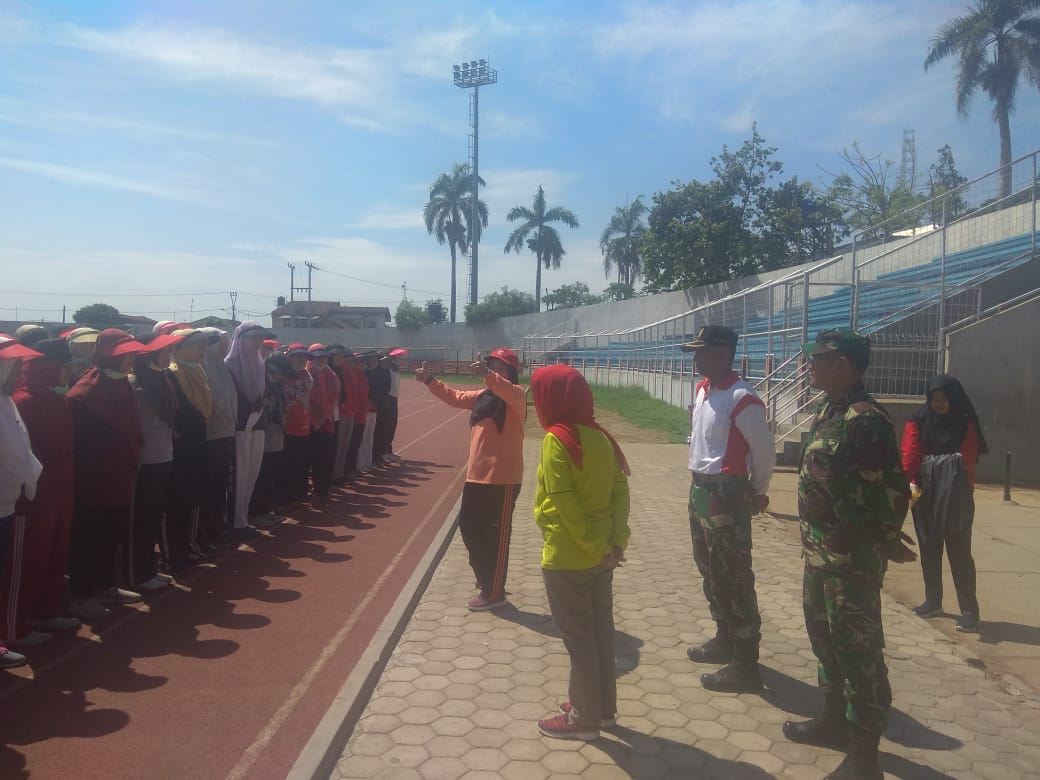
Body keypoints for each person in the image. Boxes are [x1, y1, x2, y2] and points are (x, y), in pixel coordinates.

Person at [783, 329, 914, 780]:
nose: (810, 364)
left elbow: (894, 496)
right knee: (827, 645)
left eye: (817, 357)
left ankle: (864, 756)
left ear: (842, 364)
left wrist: (865, 540)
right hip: (819, 557)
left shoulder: (866, 420)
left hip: (850, 563)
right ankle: (834, 721)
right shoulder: (827, 411)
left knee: (859, 654)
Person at [529, 365, 631, 741]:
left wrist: (591, 544)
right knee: (601, 635)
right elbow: (621, 491)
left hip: (568, 558)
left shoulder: (557, 439)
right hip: (602, 557)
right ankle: (602, 709)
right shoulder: (602, 437)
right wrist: (615, 543)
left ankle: (584, 719)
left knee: (580, 641)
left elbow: (562, 499)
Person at [682, 325, 774, 693]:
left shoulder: (743, 398)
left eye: (701, 352)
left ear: (722, 354)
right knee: (709, 569)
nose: (695, 358)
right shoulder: (705, 390)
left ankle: (746, 663)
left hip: (728, 491)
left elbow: (764, 452)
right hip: (702, 489)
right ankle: (724, 636)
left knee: (734, 577)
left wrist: (755, 491)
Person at [415, 348, 527, 611]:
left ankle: (494, 592)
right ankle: (486, 575)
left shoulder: (517, 397)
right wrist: (430, 381)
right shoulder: (482, 397)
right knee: (468, 526)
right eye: (493, 368)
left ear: (511, 373)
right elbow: (455, 397)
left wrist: (488, 375)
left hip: (503, 479)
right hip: (476, 477)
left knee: (496, 538)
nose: (496, 373)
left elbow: (505, 389)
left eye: (502, 370)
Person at [65, 329, 152, 620]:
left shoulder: (123, 383)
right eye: (125, 353)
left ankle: (105, 585)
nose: (130, 359)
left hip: (120, 474)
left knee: (113, 532)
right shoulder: (86, 390)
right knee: (90, 533)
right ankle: (82, 593)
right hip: (94, 478)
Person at [6, 339, 80, 647]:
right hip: (33, 495)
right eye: (64, 367)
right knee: (29, 559)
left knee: (54, 552)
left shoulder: (53, 398)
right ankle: (18, 623)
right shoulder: (24, 401)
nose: (69, 372)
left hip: (60, 488)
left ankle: (47, 609)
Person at [902, 374, 987, 632]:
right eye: (934, 399)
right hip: (924, 493)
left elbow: (967, 460)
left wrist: (942, 473)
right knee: (929, 546)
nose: (938, 404)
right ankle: (933, 600)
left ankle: (970, 610)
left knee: (959, 551)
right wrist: (906, 487)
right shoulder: (919, 420)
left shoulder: (963, 422)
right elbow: (910, 454)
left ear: (953, 399)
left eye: (943, 399)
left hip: (957, 495)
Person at [0, 338, 44, 668]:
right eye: (14, 368)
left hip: (6, 501)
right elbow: (15, 452)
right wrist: (33, 477)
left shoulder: (6, 402)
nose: (19, 375)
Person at [128, 332, 180, 589]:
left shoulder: (162, 378)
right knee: (142, 517)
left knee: (153, 514)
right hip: (146, 459)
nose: (169, 355)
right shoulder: (137, 382)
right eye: (164, 350)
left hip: (164, 454)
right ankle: (139, 572)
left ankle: (149, 568)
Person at [166, 330, 215, 568]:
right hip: (181, 447)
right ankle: (178, 550)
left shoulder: (198, 371)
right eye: (196, 345)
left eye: (203, 345)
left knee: (194, 496)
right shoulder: (173, 374)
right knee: (179, 499)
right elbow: (179, 413)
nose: (201, 350)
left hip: (197, 443)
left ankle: (189, 543)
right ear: (178, 347)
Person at [225, 321, 275, 536]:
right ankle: (235, 521)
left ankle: (243, 518)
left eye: (260, 338)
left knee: (252, 472)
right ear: (241, 338)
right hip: (240, 425)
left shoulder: (260, 362)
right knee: (240, 473)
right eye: (253, 337)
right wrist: (251, 408)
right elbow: (233, 396)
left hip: (258, 423)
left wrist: (262, 405)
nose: (257, 342)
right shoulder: (230, 363)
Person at [200, 328, 238, 546]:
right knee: (209, 485)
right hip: (211, 435)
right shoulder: (203, 366)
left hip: (225, 433)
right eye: (222, 343)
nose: (225, 347)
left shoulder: (221, 366)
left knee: (220, 484)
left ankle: (216, 527)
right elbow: (211, 401)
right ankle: (206, 530)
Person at [307, 344, 340, 500]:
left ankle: (323, 488)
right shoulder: (306, 374)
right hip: (309, 424)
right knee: (311, 458)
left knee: (325, 457)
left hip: (327, 422)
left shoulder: (331, 375)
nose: (321, 360)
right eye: (317, 357)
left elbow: (336, 395)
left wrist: (326, 412)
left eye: (324, 357)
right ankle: (313, 487)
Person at [282, 344, 314, 503]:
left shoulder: (308, 377)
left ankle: (300, 493)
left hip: (304, 426)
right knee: (288, 464)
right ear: (290, 358)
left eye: (304, 357)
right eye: (297, 356)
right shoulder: (284, 376)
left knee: (302, 463)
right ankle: (288, 496)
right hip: (288, 427)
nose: (301, 360)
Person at [328, 345, 355, 483]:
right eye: (338, 355)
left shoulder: (340, 370)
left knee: (344, 444)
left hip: (343, 412)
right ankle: (333, 473)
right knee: (336, 446)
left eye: (342, 356)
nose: (341, 359)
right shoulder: (330, 370)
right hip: (333, 414)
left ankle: (338, 472)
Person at [382, 348, 407, 461]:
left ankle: (388, 449)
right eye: (398, 355)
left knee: (392, 424)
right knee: (387, 425)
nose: (400, 357)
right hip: (388, 398)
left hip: (394, 398)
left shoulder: (395, 367)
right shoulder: (388, 365)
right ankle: (384, 451)